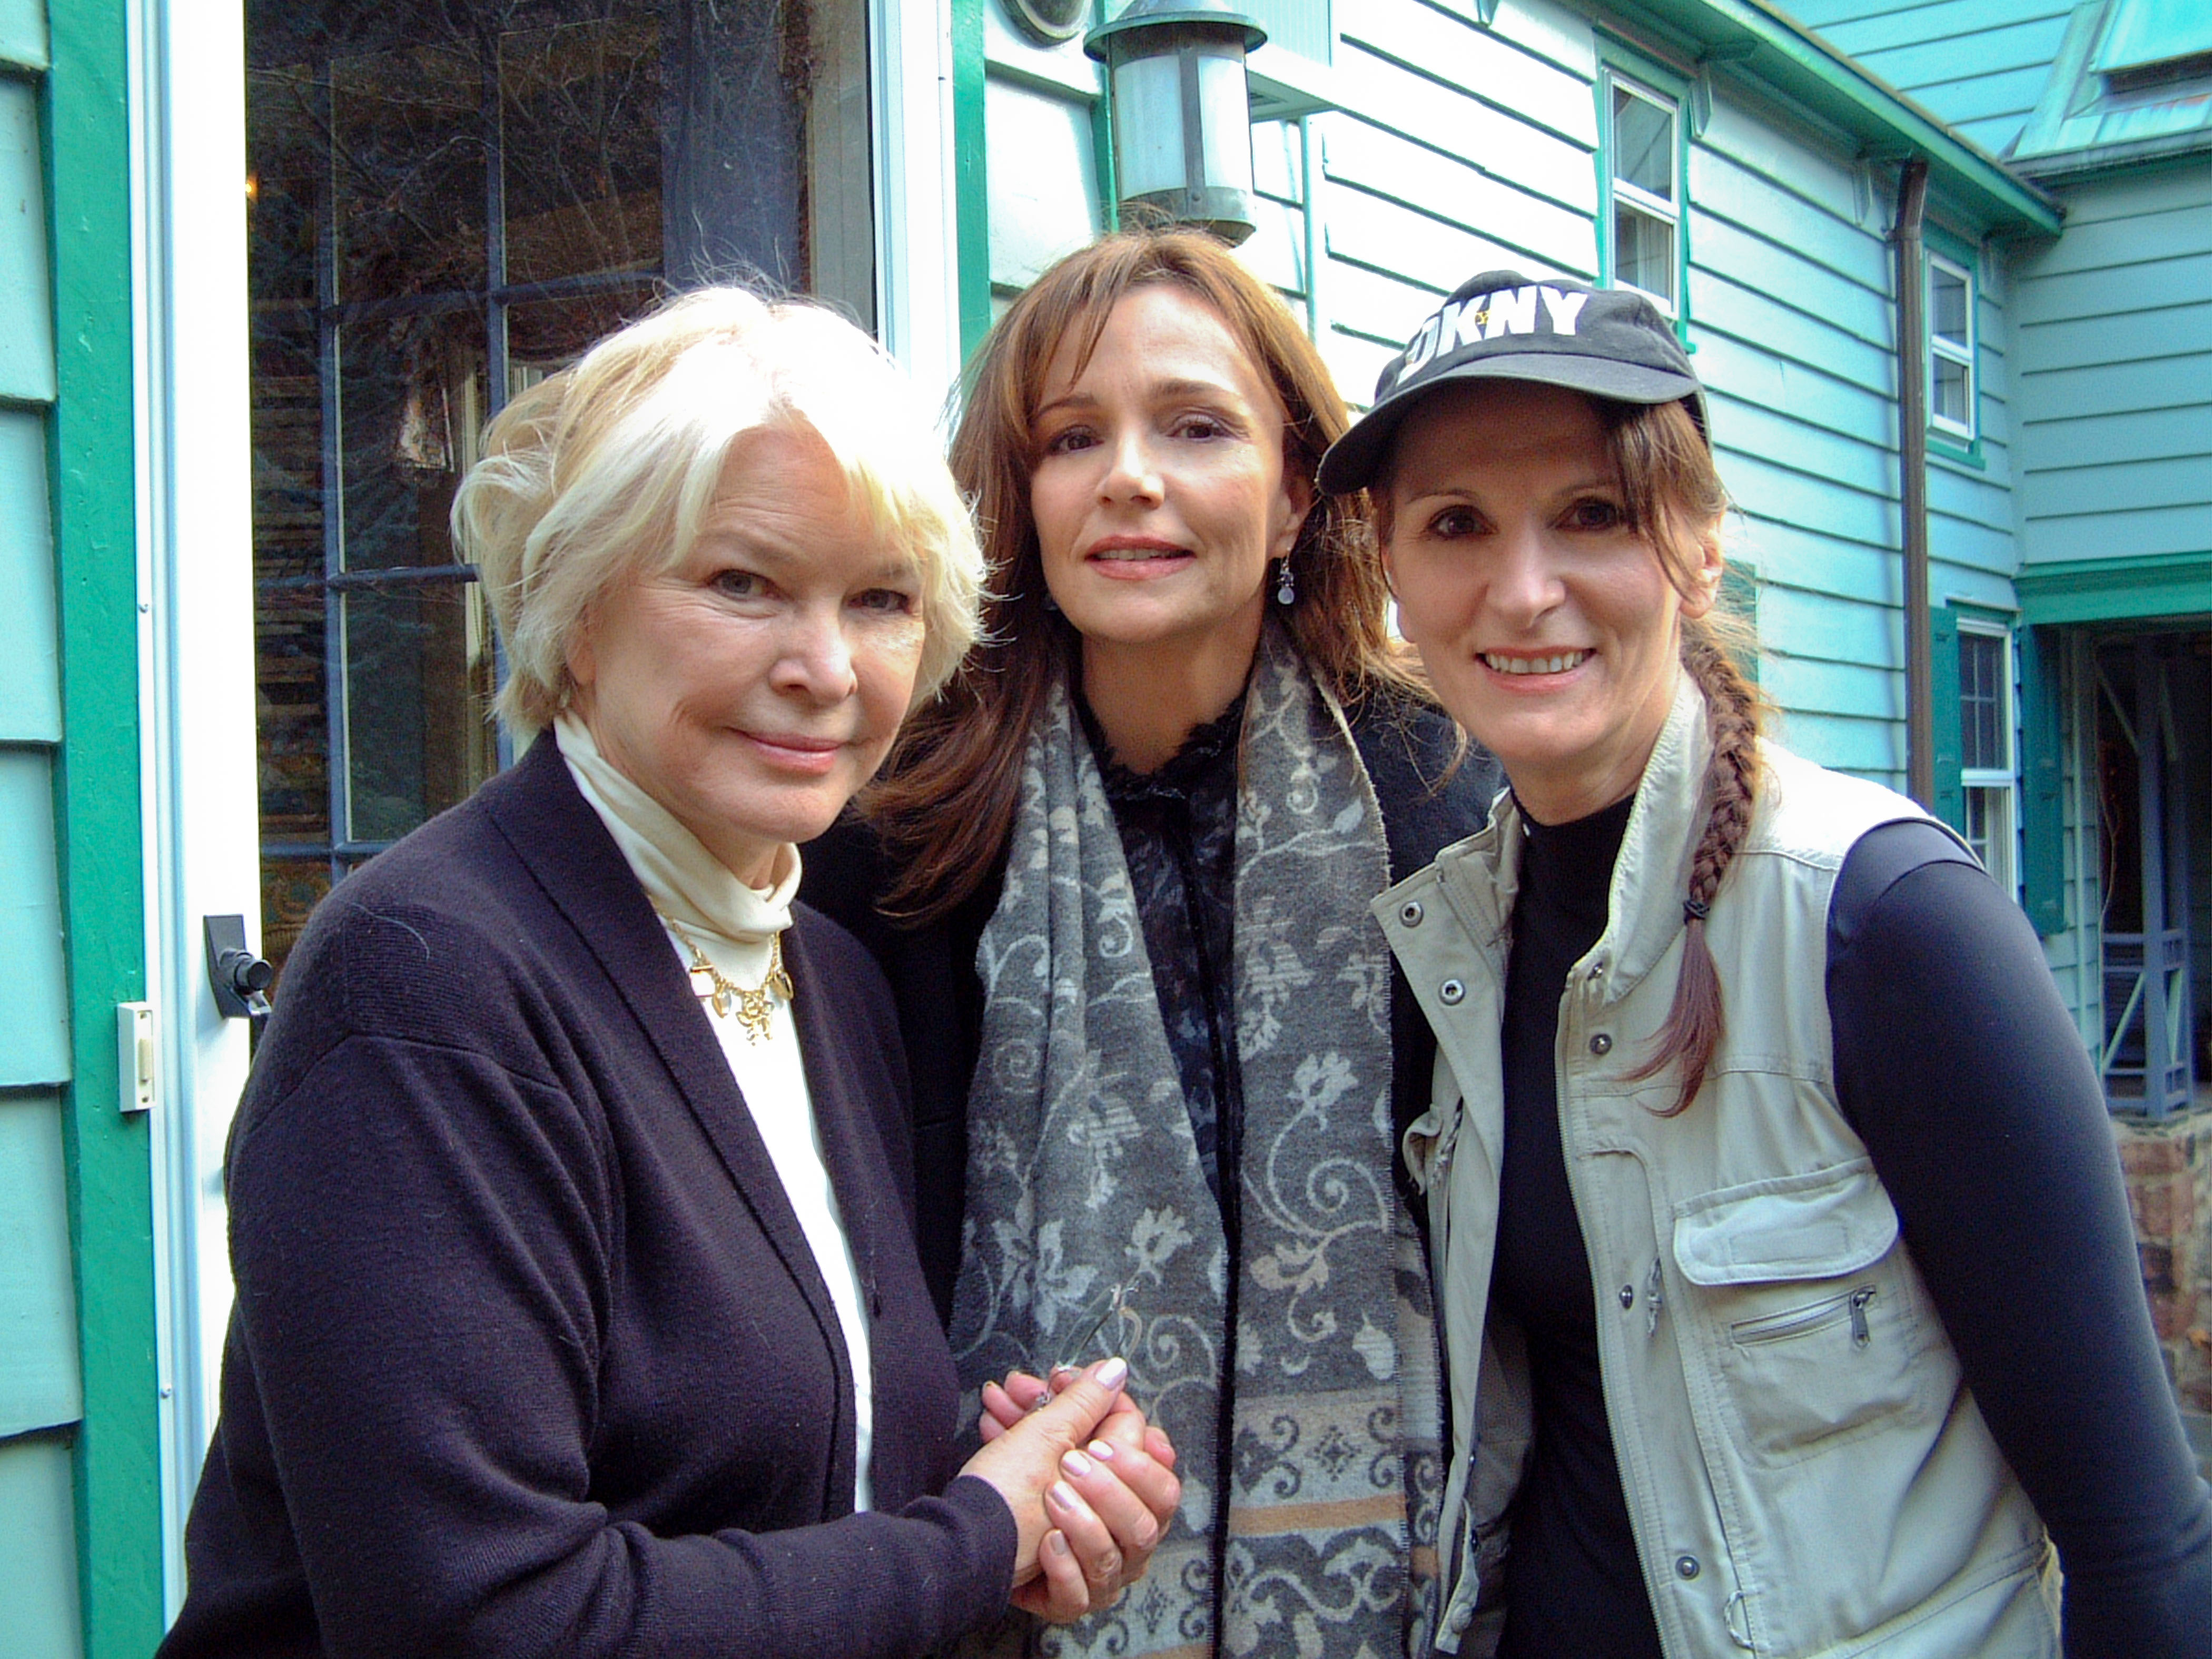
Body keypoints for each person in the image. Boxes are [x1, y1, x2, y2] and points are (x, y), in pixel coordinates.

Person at [156, 288, 1182, 1659]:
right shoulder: (430, 984)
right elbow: (490, 1621)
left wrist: (1015, 1482)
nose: (824, 669)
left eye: (879, 599)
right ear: (577, 611)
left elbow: (771, 1465)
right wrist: (971, 1544)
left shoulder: (823, 968)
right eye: (741, 583)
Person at [1315, 268, 2212, 1657]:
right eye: (1457, 525)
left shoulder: (1886, 924)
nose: (1525, 585)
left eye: (1593, 515)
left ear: (1702, 541)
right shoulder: (1452, 950)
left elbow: (2141, 1542)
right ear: (1392, 575)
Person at [801, 229, 1503, 1659]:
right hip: (1004, 1564)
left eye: (1196, 427)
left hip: (1412, 1561)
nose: (1129, 475)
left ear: (1301, 487)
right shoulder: (903, 830)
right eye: (1073, 437)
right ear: (1023, 493)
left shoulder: (1438, 799)